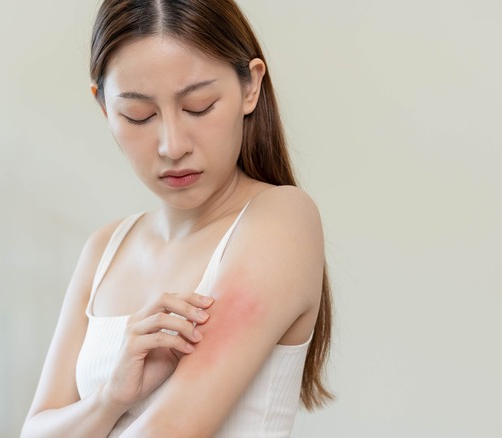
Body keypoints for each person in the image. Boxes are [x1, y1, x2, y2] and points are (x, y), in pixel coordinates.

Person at [21, 0, 333, 436]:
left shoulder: (281, 220)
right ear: (106, 109)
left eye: (199, 106)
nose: (172, 144)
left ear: (250, 86)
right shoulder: (105, 248)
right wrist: (112, 398)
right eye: (139, 115)